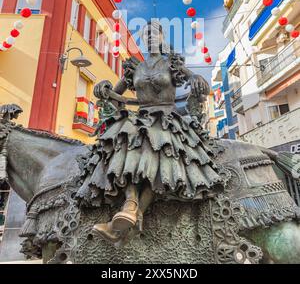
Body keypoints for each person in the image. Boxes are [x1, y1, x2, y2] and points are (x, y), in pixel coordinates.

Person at [76, 21, 223, 244]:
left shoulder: (172, 64)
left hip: (167, 120)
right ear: (143, 40)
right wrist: (102, 88)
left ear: (162, 37)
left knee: (156, 154)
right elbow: (115, 95)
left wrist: (197, 79)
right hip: (140, 120)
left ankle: (130, 210)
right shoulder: (135, 67)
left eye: (155, 33)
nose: (151, 37)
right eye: (146, 34)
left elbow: (195, 79)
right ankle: (131, 206)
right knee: (126, 145)